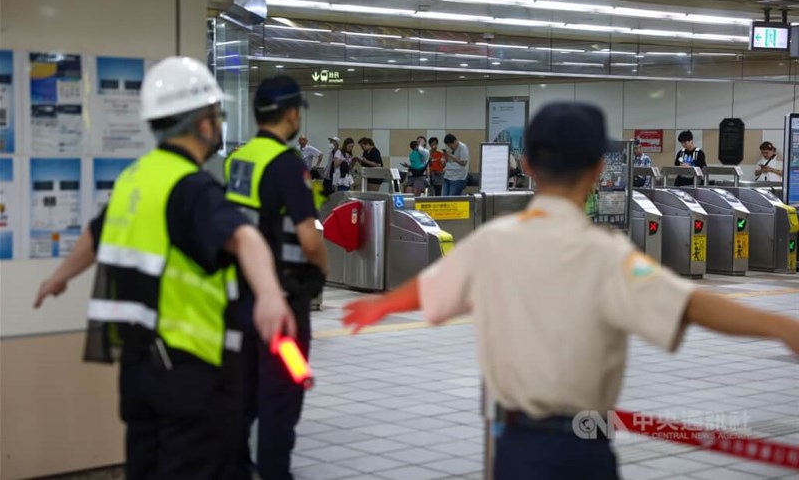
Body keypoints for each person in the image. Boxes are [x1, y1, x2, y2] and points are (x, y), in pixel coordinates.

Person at [341, 102, 799, 480]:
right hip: (585, 447)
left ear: (526, 165)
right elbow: (689, 304)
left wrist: (380, 305)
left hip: (514, 447)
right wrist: (778, 326)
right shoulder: (607, 255)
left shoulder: (492, 243)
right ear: (600, 169)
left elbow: (432, 287)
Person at [33, 57, 295, 480]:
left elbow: (94, 236)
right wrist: (269, 294)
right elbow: (245, 238)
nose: (218, 124)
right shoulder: (190, 188)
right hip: (192, 372)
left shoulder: (134, 179)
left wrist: (59, 277)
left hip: (138, 371)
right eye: (216, 115)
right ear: (202, 124)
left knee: (146, 468)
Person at [224, 75, 328, 480]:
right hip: (283, 303)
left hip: (241, 298)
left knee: (245, 395)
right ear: (290, 113)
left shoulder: (238, 160)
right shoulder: (287, 165)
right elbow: (308, 235)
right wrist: (323, 267)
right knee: (281, 398)